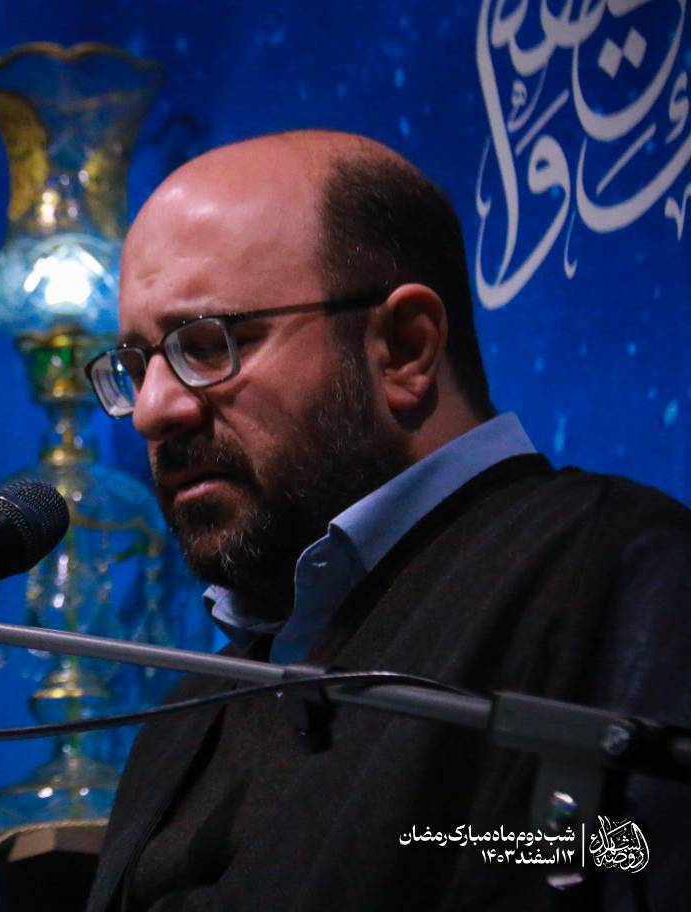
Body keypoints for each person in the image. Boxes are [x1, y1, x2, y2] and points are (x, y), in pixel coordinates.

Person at [81, 131, 690, 912]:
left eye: (208, 345)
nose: (153, 412)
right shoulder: (188, 713)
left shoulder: (619, 574)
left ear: (405, 348)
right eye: (136, 367)